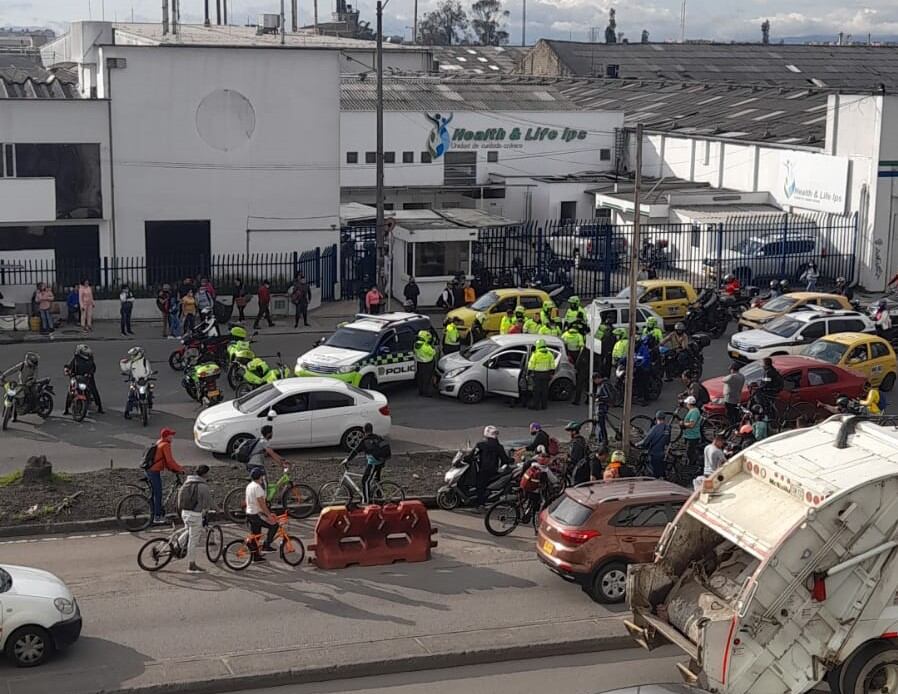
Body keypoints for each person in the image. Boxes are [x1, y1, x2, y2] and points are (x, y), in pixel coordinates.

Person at [177, 464, 213, 574]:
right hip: (195, 515)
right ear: (205, 474)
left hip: (184, 512)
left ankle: (175, 546)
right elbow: (208, 503)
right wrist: (216, 509)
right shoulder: (203, 486)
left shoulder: (188, 482)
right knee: (193, 541)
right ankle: (191, 565)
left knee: (188, 530)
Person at [465, 425, 512, 509]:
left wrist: (465, 459)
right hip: (494, 470)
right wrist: (512, 460)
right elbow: (505, 459)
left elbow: (472, 455)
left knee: (480, 485)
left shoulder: (480, 444)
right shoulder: (498, 446)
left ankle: (480, 504)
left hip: (483, 470)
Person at [147, 428, 185, 524]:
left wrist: (172, 469)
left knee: (156, 493)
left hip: (150, 470)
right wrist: (179, 469)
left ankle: (156, 512)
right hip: (153, 471)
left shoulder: (159, 442)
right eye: (171, 435)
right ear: (166, 436)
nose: (172, 437)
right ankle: (157, 517)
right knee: (158, 494)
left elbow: (163, 460)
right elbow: (169, 461)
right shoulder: (165, 445)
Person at [345, 423, 389, 503]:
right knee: (376, 479)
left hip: (373, 463)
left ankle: (366, 501)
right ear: (371, 429)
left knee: (365, 481)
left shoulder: (365, 441)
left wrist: (347, 459)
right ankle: (380, 496)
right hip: (381, 461)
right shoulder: (377, 437)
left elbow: (355, 451)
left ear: (364, 430)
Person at [244, 466, 278, 561]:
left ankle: (255, 556)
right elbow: (262, 504)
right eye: (262, 476)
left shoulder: (249, 486)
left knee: (256, 535)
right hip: (256, 514)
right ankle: (266, 546)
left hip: (249, 513)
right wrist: (269, 515)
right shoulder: (258, 488)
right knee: (274, 525)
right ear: (260, 477)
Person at [63, 343, 103, 415]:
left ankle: (100, 407)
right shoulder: (76, 358)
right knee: (70, 392)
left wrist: (90, 373)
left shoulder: (90, 359)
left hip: (87, 378)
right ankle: (66, 409)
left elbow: (93, 368)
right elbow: (69, 365)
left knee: (94, 390)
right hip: (75, 377)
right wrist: (66, 370)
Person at [638, 412, 671, 479]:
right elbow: (667, 441)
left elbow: (646, 440)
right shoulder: (668, 428)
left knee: (655, 472)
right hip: (663, 452)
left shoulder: (655, 428)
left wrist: (637, 444)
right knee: (661, 469)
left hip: (654, 453)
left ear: (656, 418)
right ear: (664, 418)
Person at [123, 346, 153, 419]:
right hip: (135, 382)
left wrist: (147, 376)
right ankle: (127, 412)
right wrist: (123, 363)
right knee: (131, 395)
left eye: (134, 355)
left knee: (150, 391)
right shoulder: (132, 362)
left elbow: (149, 370)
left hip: (144, 381)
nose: (132, 356)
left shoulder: (145, 361)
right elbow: (126, 369)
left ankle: (150, 405)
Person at [528, 339, 555, 410]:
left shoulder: (535, 354)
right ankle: (544, 406)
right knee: (545, 390)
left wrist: (529, 373)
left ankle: (536, 406)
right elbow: (552, 365)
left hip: (537, 374)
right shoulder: (549, 354)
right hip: (546, 374)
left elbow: (531, 364)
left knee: (536, 391)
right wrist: (552, 373)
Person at [561, 325, 586, 405]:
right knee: (576, 368)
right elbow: (581, 345)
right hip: (576, 353)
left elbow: (562, 342)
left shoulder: (565, 334)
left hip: (567, 353)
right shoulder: (579, 335)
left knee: (569, 366)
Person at [413, 330, 436, 397]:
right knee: (428, 379)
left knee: (421, 378)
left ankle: (421, 391)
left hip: (420, 363)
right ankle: (427, 393)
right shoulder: (426, 346)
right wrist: (432, 347)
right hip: (428, 363)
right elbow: (433, 352)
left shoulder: (416, 344)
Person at [722, 362, 745, 426]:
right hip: (737, 397)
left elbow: (723, 379)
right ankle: (736, 425)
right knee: (735, 413)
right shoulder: (742, 376)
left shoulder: (731, 377)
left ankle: (731, 426)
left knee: (729, 413)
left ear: (733, 369)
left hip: (729, 398)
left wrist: (730, 375)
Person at [682, 396, 703, 467]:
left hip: (693, 436)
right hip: (690, 435)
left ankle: (693, 465)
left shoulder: (694, 412)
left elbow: (692, 425)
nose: (686, 404)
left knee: (690, 452)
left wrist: (683, 424)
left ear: (689, 404)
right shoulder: (693, 410)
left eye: (687, 403)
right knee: (690, 451)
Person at [591, 373, 612, 443]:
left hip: (604, 405)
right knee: (600, 423)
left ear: (597, 378)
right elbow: (601, 394)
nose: (594, 382)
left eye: (594, 380)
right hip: (601, 405)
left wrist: (599, 398)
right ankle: (601, 439)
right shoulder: (601, 385)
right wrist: (595, 395)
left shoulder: (604, 385)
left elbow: (607, 396)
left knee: (601, 423)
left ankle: (604, 440)